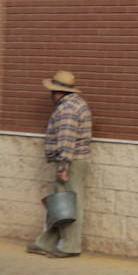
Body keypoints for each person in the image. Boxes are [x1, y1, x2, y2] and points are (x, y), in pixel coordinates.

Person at [28, 70, 91, 258]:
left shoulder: (67, 109)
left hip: (70, 162)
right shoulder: (76, 103)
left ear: (58, 92)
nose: (50, 95)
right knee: (60, 204)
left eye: (52, 91)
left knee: (69, 206)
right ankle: (46, 243)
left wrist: (63, 167)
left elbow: (66, 139)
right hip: (74, 160)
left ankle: (70, 246)